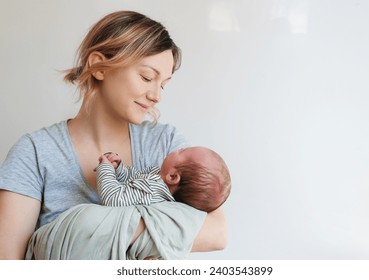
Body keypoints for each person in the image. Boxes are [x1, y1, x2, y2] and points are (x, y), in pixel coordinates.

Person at [0, 10, 227, 259]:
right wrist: (157, 230)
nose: (157, 95)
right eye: (147, 77)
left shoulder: (165, 144)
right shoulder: (34, 152)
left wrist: (90, 232)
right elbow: (8, 266)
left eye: (163, 84)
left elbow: (216, 233)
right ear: (98, 66)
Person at [96, 146, 231, 212]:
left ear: (172, 177)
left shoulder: (152, 189)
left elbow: (113, 198)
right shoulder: (156, 177)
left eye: (182, 151)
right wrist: (118, 168)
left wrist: (106, 168)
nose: (180, 147)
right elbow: (129, 183)